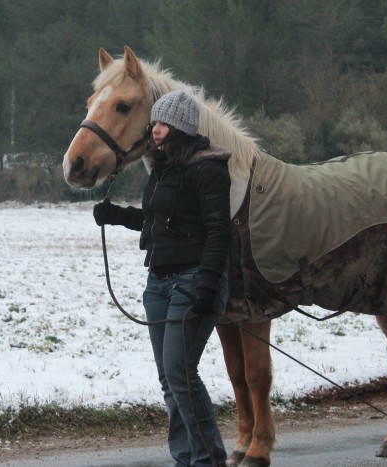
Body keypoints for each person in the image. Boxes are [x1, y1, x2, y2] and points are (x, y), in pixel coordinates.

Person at [93, 90, 231, 467]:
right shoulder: (164, 169)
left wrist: (207, 285)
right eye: (154, 121)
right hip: (157, 285)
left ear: (181, 128)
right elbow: (160, 222)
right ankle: (186, 458)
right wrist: (118, 216)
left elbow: (219, 231)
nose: (154, 129)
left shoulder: (208, 169)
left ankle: (209, 460)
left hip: (192, 283)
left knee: (181, 373)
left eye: (162, 123)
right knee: (170, 380)